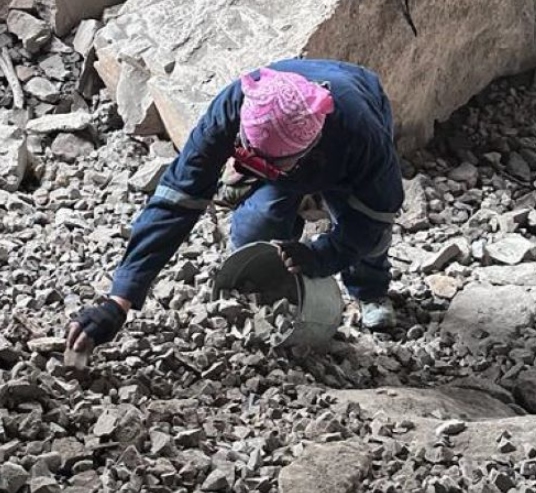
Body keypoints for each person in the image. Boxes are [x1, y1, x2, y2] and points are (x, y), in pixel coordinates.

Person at [67, 58, 405, 353]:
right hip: (285, 149)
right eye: (250, 156)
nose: (262, 166)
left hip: (351, 118)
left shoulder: (363, 135)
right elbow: (177, 199)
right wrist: (120, 299)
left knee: (366, 234)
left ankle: (370, 289)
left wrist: (323, 256)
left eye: (271, 165)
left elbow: (375, 215)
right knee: (255, 226)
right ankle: (274, 288)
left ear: (309, 148)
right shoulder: (233, 107)